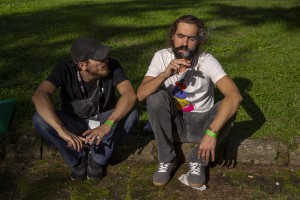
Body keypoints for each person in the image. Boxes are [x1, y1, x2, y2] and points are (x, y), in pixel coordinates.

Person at [137, 15, 242, 188]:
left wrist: (212, 133)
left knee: (229, 105)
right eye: (180, 36)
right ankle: (166, 159)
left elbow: (235, 95)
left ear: (198, 41)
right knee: (155, 98)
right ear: (173, 36)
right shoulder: (161, 57)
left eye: (191, 38)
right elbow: (140, 95)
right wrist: (164, 74)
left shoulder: (206, 60)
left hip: (203, 124)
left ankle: (197, 160)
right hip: (175, 124)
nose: (185, 43)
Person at [32, 37, 138, 181]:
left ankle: (98, 159)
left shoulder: (112, 65)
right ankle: (76, 159)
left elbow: (129, 95)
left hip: (103, 122)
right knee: (39, 119)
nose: (106, 60)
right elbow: (39, 96)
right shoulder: (64, 69)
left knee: (131, 114)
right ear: (83, 65)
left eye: (106, 56)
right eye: (100, 59)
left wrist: (109, 123)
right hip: (75, 123)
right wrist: (61, 130)